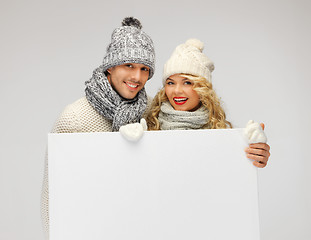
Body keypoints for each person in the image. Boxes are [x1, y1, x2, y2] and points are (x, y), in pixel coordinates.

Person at [41, 16, 155, 239]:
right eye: (129, 65)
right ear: (110, 67)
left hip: (143, 226)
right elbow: (52, 196)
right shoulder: (75, 118)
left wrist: (241, 148)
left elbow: (187, 152)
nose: (137, 76)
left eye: (144, 69)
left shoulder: (153, 110)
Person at [145, 38, 270, 168]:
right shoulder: (148, 123)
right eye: (170, 83)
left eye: (187, 82)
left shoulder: (220, 132)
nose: (176, 91)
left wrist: (255, 154)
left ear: (203, 88)